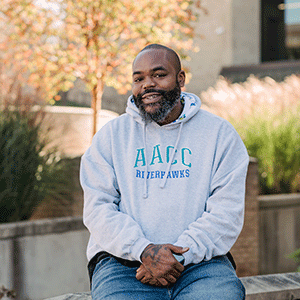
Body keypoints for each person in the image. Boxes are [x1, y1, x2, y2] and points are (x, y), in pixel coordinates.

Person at [80, 44, 249, 299]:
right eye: (139, 78)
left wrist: (176, 256)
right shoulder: (110, 137)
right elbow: (98, 209)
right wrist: (144, 250)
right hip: (124, 264)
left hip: (201, 264)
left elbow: (226, 213)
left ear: (180, 78)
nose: (147, 84)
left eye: (159, 75)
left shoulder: (220, 135)